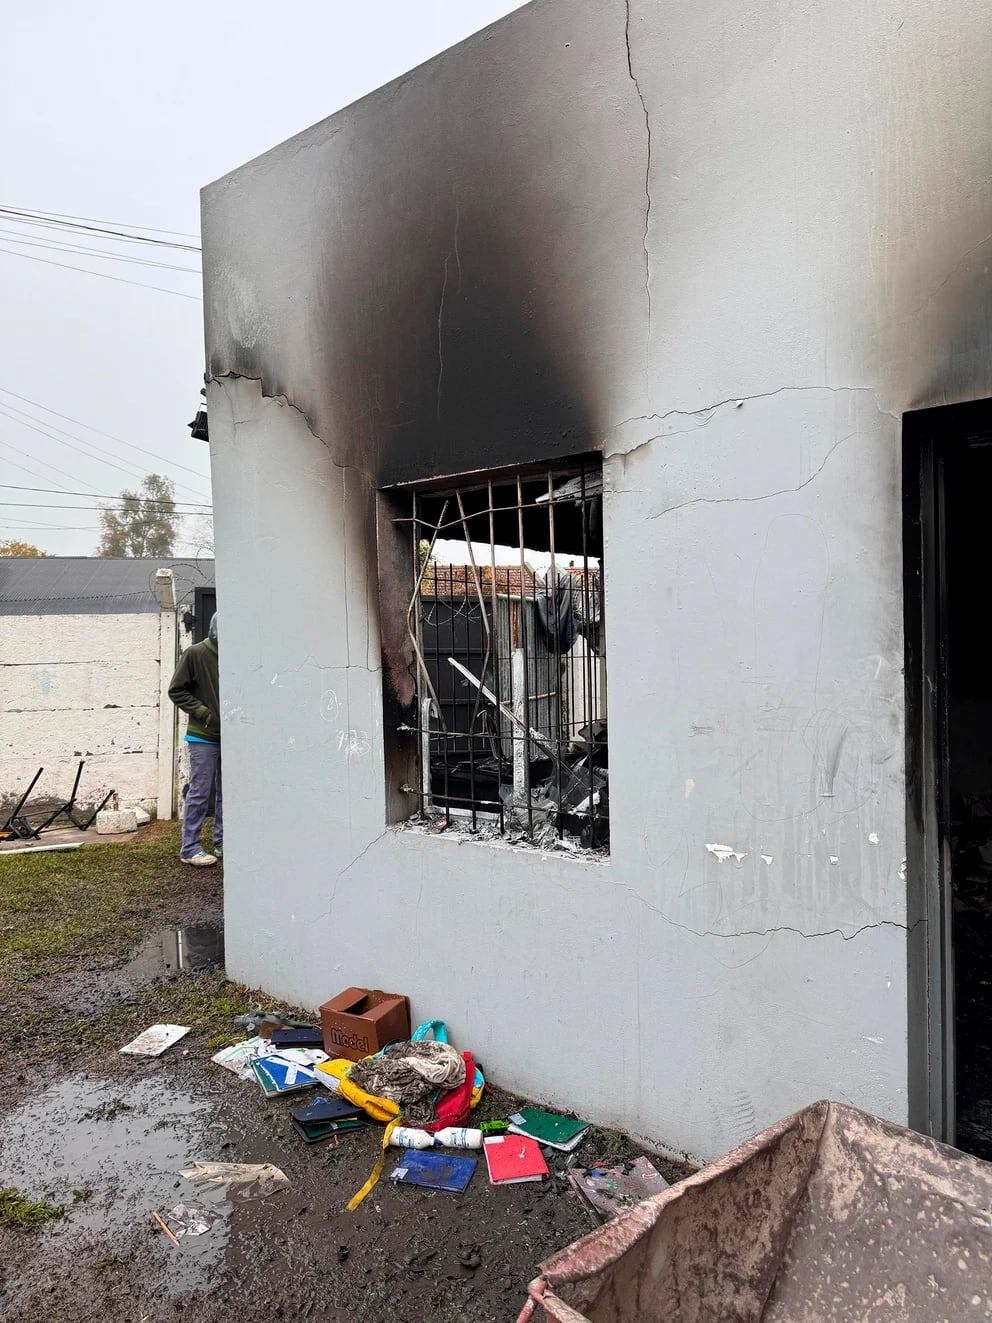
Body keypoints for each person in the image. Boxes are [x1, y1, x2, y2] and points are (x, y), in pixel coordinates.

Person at [168, 612, 222, 865]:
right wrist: (203, 713)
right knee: (201, 791)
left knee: (228, 792)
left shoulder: (239, 656)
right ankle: (189, 848)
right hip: (203, 736)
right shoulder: (195, 654)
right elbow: (176, 690)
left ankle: (222, 842)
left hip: (233, 737)